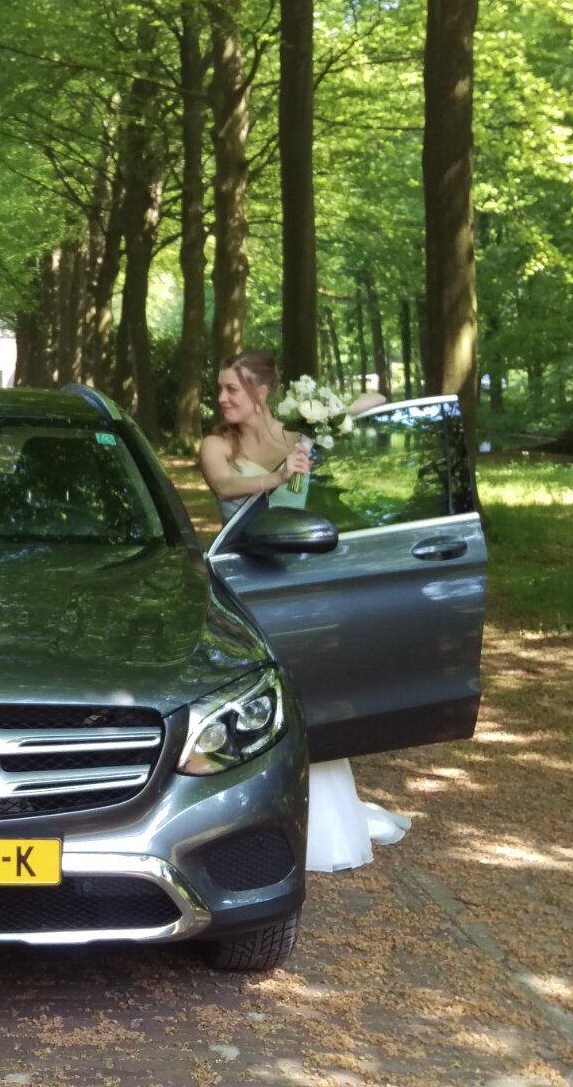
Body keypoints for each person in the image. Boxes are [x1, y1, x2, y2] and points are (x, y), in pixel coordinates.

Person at [197, 351, 408, 874]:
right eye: (220, 389)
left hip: (301, 581)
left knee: (310, 691)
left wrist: (330, 412)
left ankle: (322, 818)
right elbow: (224, 486)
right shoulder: (216, 445)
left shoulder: (300, 438)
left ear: (261, 392)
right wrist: (276, 476)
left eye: (232, 389)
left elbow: (377, 399)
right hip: (244, 581)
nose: (222, 399)